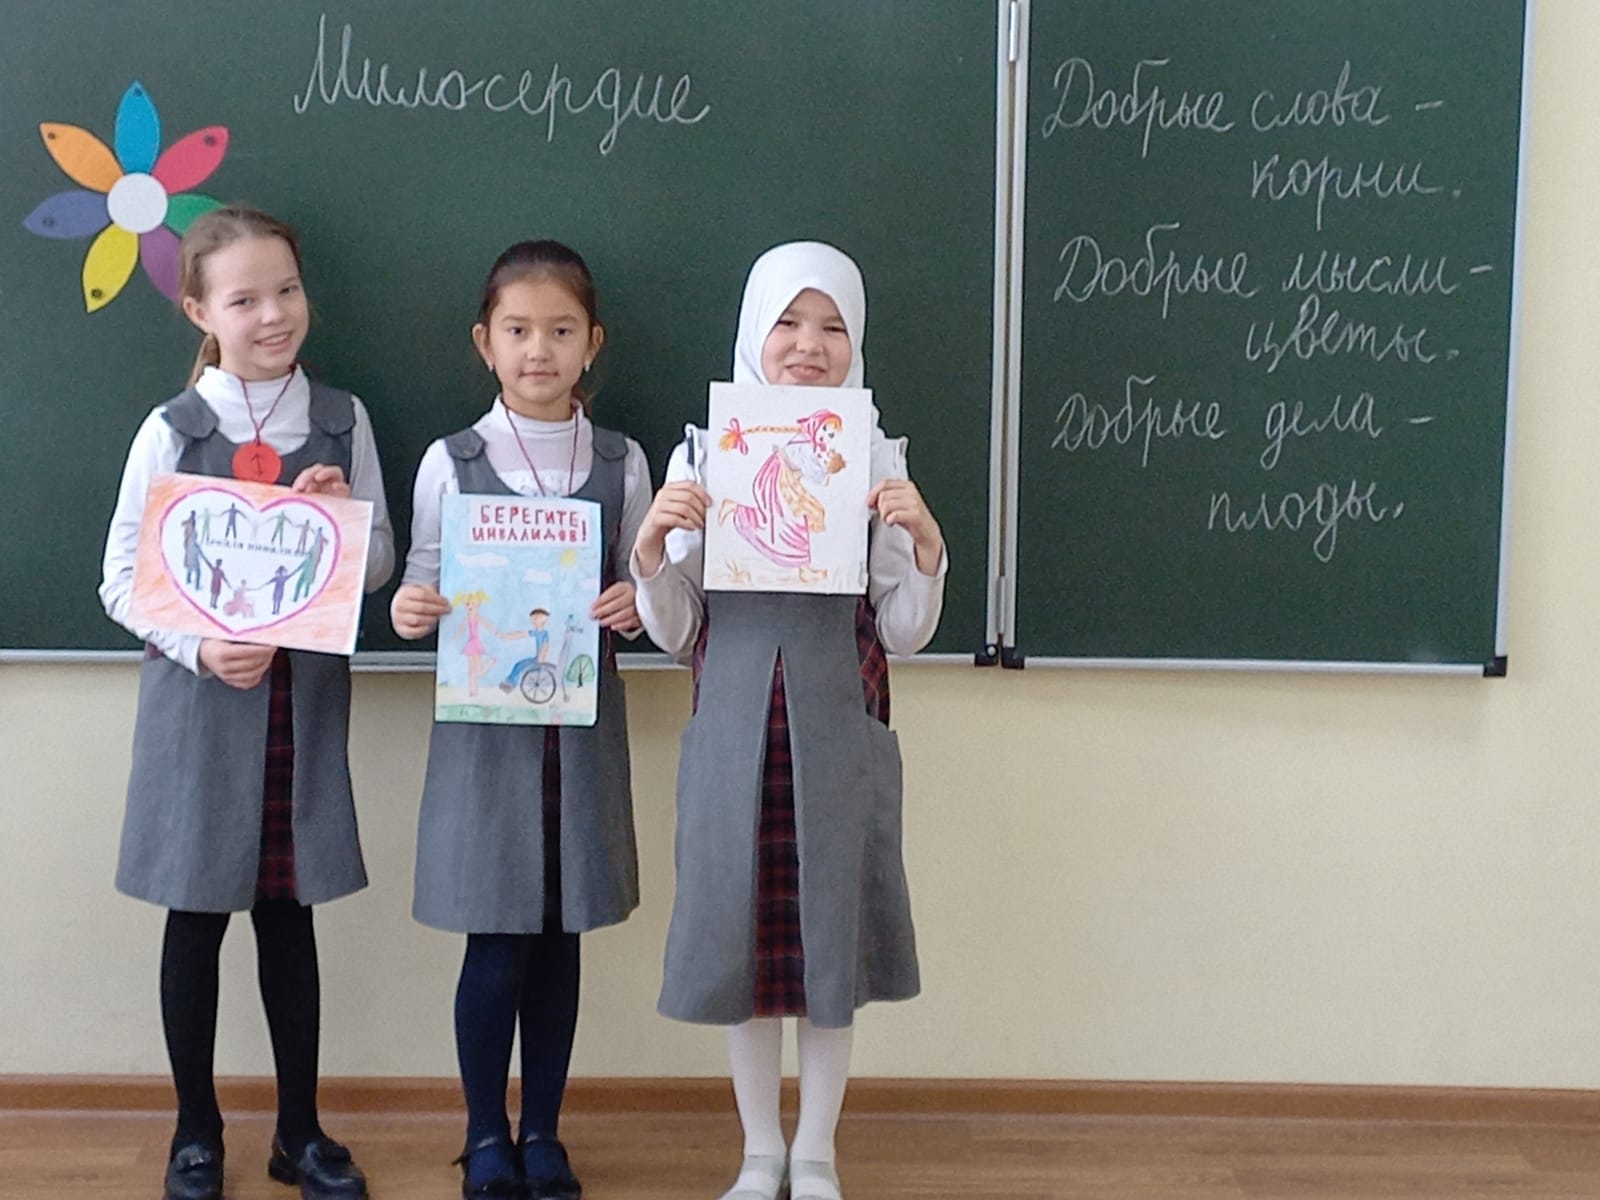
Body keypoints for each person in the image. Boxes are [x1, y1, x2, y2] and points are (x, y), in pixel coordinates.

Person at [633, 241, 947, 1200]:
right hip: (735, 726)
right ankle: (759, 1150)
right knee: (742, 940)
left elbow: (902, 630)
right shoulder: (704, 453)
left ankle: (816, 1152)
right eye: (788, 322)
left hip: (838, 722)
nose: (809, 345)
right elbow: (676, 630)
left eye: (833, 327)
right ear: (752, 332)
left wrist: (927, 550)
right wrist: (650, 553)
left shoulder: (876, 457)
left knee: (830, 943)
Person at [99, 205, 395, 1200]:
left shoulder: (343, 420)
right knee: (194, 920)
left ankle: (299, 1132)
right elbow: (118, 578)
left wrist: (342, 519)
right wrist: (197, 645)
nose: (273, 315)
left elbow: (381, 564)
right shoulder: (173, 429)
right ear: (200, 312)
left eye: (287, 291)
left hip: (298, 717)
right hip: (199, 714)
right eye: (245, 299)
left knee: (287, 920)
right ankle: (196, 1131)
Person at [391, 240, 650, 1200]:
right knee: (495, 942)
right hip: (484, 742)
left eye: (560, 330)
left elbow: (650, 588)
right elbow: (420, 583)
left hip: (579, 742)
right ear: (485, 343)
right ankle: (483, 1134)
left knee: (559, 940)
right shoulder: (451, 461)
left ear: (593, 344)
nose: (539, 350)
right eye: (518, 330)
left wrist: (635, 604)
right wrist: (410, 609)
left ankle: (543, 1130)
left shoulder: (622, 461)